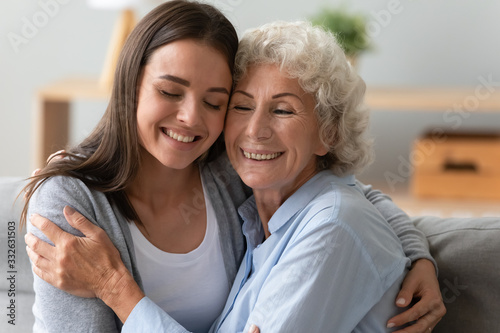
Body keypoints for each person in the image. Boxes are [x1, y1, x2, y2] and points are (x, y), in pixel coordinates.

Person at [23, 1, 445, 332]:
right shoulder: (73, 200)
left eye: (214, 102)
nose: (191, 117)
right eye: (170, 91)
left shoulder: (230, 174)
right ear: (131, 86)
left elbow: (349, 203)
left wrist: (419, 257)